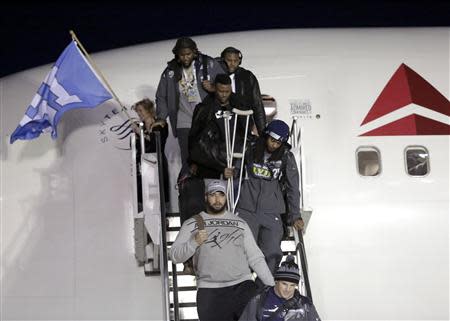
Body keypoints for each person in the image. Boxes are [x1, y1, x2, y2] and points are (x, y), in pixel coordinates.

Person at [170, 180, 275, 321]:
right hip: (210, 292)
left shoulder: (240, 223)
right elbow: (175, 256)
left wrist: (273, 287)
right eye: (213, 195)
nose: (217, 200)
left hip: (243, 287)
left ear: (226, 198)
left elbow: (255, 257)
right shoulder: (192, 223)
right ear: (206, 197)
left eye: (221, 195)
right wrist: (193, 242)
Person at [225, 120, 304, 274]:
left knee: (271, 254)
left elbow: (293, 188)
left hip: (272, 212)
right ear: (266, 135)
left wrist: (295, 216)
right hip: (247, 208)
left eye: (278, 143)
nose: (274, 145)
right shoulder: (250, 148)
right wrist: (230, 172)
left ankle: (263, 291)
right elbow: (236, 172)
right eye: (272, 140)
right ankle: (244, 291)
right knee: (243, 253)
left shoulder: (286, 156)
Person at [155, 37, 224, 178]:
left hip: (205, 117)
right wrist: (161, 117)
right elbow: (161, 96)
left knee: (208, 153)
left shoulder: (209, 64)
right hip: (183, 117)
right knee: (187, 155)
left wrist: (213, 88)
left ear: (194, 52)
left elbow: (226, 85)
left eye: (188, 54)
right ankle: (188, 187)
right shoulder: (170, 72)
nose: (186, 58)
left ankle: (212, 186)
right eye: (182, 55)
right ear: (177, 55)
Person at [188, 73, 252, 179]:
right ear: (214, 89)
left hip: (234, 158)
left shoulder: (240, 106)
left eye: (227, 91)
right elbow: (194, 137)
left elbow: (246, 133)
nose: (224, 94)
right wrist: (192, 162)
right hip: (212, 162)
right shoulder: (204, 108)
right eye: (220, 91)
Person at [239, 255, 321, 321]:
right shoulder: (258, 300)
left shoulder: (305, 304)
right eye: (284, 284)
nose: (288, 289)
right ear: (276, 282)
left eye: (292, 285)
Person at [218, 47, 266, 136]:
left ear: (239, 61)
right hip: (221, 123)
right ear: (222, 60)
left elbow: (257, 105)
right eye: (229, 60)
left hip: (244, 124)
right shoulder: (215, 75)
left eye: (235, 61)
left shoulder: (248, 76)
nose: (232, 64)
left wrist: (262, 132)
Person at [132, 98, 169, 204]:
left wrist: (140, 133)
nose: (139, 113)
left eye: (140, 110)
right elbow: (135, 146)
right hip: (142, 164)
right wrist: (137, 134)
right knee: (143, 196)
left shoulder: (160, 124)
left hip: (157, 163)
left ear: (149, 110)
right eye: (137, 111)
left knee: (158, 195)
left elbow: (156, 143)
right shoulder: (139, 126)